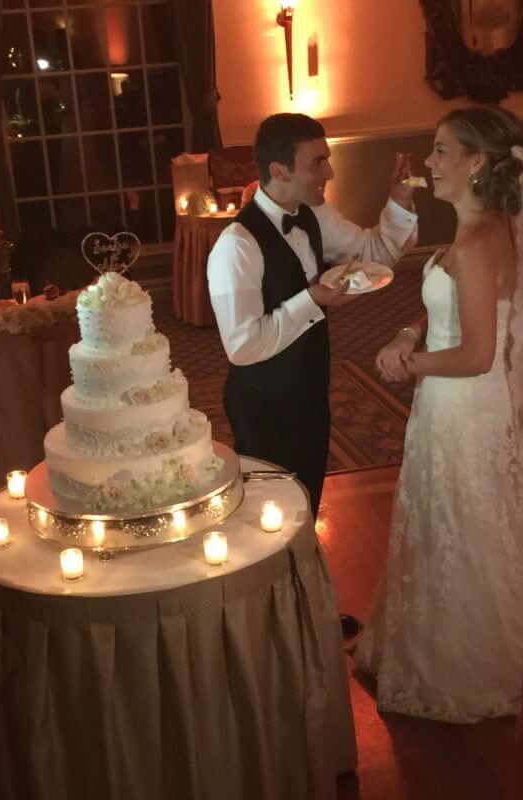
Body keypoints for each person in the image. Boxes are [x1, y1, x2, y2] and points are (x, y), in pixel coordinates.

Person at [355, 106, 523, 723]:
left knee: (465, 525)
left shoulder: (481, 241)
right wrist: (408, 331)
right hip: (452, 402)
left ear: (478, 162)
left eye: (441, 150)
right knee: (454, 522)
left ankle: (466, 666)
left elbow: (479, 354)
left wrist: (409, 365)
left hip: (464, 404)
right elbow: (452, 305)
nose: (429, 162)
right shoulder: (481, 228)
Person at [207, 113, 418, 518]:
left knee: (307, 502)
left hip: (311, 386)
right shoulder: (236, 245)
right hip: (263, 403)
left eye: (327, 159)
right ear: (279, 170)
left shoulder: (314, 214)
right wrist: (313, 300)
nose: (330, 172)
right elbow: (243, 347)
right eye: (317, 163)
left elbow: (373, 254)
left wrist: (400, 201)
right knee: (270, 516)